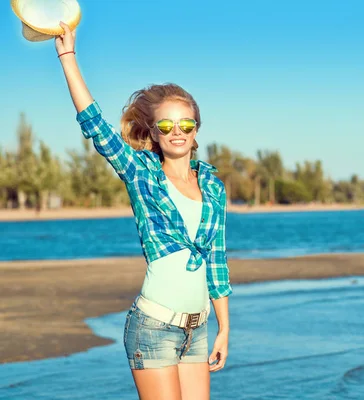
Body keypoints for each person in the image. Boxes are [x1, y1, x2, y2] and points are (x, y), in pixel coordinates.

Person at [55, 22, 232, 399]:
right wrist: (67, 57)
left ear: (197, 129)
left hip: (198, 330)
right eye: (166, 124)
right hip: (153, 328)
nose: (177, 131)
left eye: (186, 123)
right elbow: (96, 127)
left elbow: (216, 261)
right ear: (153, 132)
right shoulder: (141, 173)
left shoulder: (213, 187)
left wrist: (225, 328)